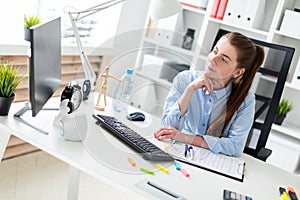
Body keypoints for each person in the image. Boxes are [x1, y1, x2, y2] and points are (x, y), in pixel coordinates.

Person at [154, 32, 265, 157]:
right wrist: (189, 90)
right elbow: (167, 129)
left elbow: (235, 146)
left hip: (215, 161)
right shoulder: (185, 80)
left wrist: (185, 137)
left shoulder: (246, 100)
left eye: (223, 59)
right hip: (180, 153)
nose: (213, 59)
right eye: (215, 51)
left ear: (238, 72)